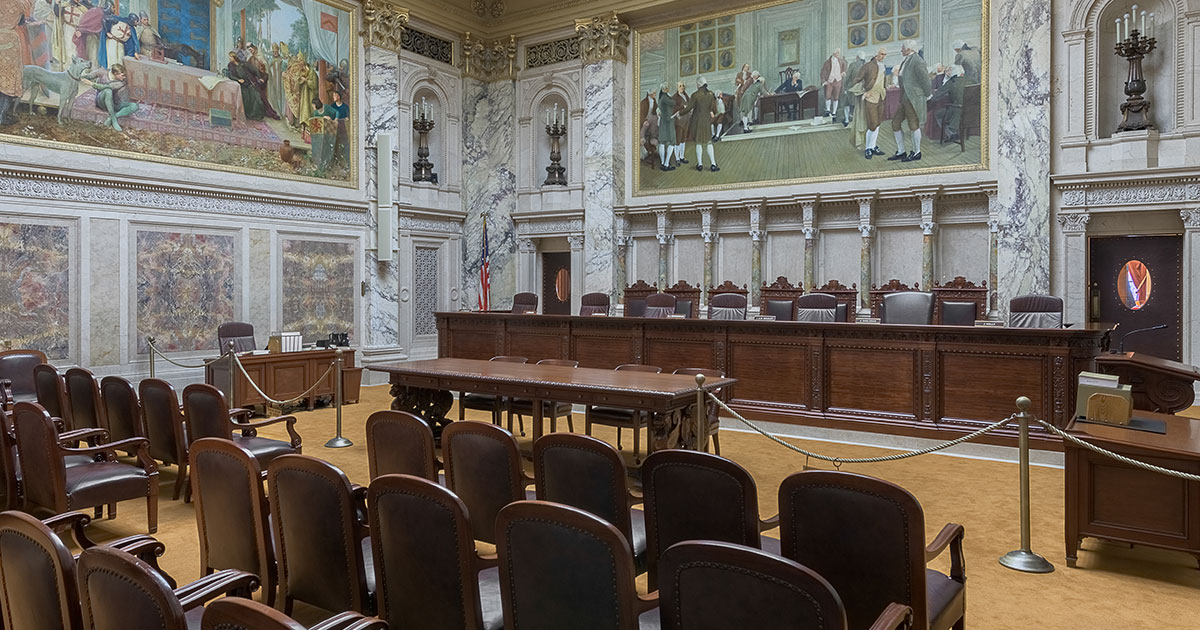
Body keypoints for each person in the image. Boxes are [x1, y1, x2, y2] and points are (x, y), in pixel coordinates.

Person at [888, 39, 931, 163]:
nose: (901, 50)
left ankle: (916, 152)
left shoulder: (917, 61)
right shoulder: (905, 61)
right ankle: (901, 151)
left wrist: (927, 95)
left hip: (914, 98)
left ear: (909, 49)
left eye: (902, 48)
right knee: (895, 123)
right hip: (904, 98)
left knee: (913, 125)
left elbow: (925, 80)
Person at [674, 75, 720, 172]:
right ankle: (713, 164)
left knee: (698, 143)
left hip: (697, 122)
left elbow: (688, 108)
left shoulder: (695, 95)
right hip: (706, 122)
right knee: (708, 143)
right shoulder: (711, 94)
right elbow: (714, 109)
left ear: (698, 85)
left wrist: (679, 113)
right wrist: (712, 112)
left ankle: (700, 164)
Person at [0, 0, 33, 125]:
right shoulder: (21, 2)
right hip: (10, 41)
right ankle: (2, 116)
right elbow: (21, 22)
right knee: (8, 79)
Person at [82, 62, 137, 131]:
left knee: (134, 106)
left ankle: (112, 118)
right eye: (122, 75)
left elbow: (103, 86)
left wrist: (91, 83)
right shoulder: (102, 72)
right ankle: (114, 120)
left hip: (114, 103)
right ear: (115, 74)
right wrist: (81, 77)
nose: (124, 77)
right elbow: (89, 76)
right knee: (108, 91)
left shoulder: (121, 82)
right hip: (101, 101)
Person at [856, 47, 888, 159]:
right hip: (870, 98)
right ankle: (868, 148)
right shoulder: (867, 66)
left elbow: (883, 82)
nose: (883, 56)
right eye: (882, 54)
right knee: (872, 124)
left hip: (881, 97)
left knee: (878, 123)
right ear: (876, 54)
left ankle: (873, 146)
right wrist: (864, 92)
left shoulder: (883, 66)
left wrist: (884, 89)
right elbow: (856, 80)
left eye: (885, 54)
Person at [228, 51, 269, 121]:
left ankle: (256, 115)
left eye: (230, 56)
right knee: (246, 96)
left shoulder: (243, 64)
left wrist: (259, 77)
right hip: (241, 85)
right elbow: (230, 75)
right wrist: (238, 79)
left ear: (234, 57)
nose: (229, 58)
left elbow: (254, 70)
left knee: (256, 95)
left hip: (249, 83)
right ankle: (246, 114)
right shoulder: (230, 65)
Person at [283, 52, 318, 129]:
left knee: (309, 109)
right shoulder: (301, 69)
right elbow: (297, 79)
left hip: (309, 94)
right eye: (298, 61)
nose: (299, 63)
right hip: (303, 93)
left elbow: (314, 84)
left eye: (300, 61)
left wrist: (305, 80)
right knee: (304, 109)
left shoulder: (311, 71)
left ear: (303, 61)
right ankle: (304, 126)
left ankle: (309, 126)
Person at [931, 64, 965, 142]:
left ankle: (951, 133)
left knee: (938, 114)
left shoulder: (951, 82)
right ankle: (954, 133)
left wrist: (932, 98)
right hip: (971, 111)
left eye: (948, 70)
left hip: (958, 110)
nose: (947, 72)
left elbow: (937, 95)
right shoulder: (969, 80)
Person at [246, 44, 279, 119]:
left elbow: (266, 71)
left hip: (262, 78)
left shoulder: (260, 57)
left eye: (251, 49)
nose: (251, 51)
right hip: (253, 80)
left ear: (254, 48)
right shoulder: (250, 58)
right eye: (249, 50)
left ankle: (271, 112)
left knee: (262, 95)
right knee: (258, 94)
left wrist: (262, 78)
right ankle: (262, 112)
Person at [841, 50, 867, 127]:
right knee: (859, 105)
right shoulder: (866, 65)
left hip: (852, 88)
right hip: (863, 89)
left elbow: (847, 77)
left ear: (857, 58)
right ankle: (859, 122)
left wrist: (844, 87)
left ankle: (846, 120)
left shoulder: (853, 65)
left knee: (847, 104)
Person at [819, 49, 846, 117]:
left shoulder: (841, 61)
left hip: (838, 81)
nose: (838, 54)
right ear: (833, 53)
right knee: (828, 96)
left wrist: (843, 73)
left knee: (836, 97)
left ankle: (834, 112)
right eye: (837, 52)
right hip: (830, 81)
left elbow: (843, 69)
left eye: (838, 53)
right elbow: (823, 72)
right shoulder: (827, 62)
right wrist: (824, 81)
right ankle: (828, 110)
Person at [655, 82, 676, 170]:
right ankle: (666, 164)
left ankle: (663, 163)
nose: (669, 89)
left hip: (663, 121)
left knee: (662, 142)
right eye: (667, 88)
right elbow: (673, 102)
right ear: (665, 89)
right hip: (668, 121)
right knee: (672, 142)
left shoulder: (661, 97)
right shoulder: (665, 98)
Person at [671, 81, 690, 167]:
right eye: (680, 86)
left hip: (686, 120)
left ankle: (682, 157)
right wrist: (682, 107)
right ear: (677, 87)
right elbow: (672, 109)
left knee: (683, 139)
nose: (682, 87)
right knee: (678, 140)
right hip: (678, 121)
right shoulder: (674, 97)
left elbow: (689, 105)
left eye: (682, 86)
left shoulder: (686, 96)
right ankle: (677, 158)